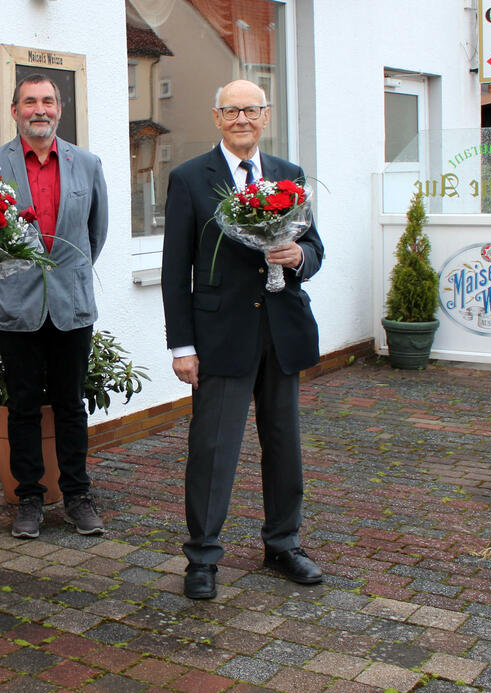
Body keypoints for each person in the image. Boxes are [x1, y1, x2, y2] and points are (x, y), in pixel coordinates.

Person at [160, 79, 324, 601]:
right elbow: (173, 270)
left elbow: (315, 247)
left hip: (282, 331)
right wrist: (181, 345)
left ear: (266, 115)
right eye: (231, 110)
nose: (242, 119)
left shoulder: (289, 175)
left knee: (284, 445)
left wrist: (299, 259)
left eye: (251, 110)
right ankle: (203, 555)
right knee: (213, 449)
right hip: (220, 335)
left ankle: (283, 543)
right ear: (216, 118)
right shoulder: (190, 178)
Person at [0, 74, 109, 539]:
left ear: (59, 109)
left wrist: (65, 277)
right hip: (17, 306)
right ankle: (29, 499)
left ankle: (77, 496)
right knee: (22, 407)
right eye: (30, 101)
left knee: (71, 405)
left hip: (71, 306)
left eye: (48, 101)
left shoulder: (87, 164)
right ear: (14, 110)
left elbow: (95, 236)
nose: (40, 109)